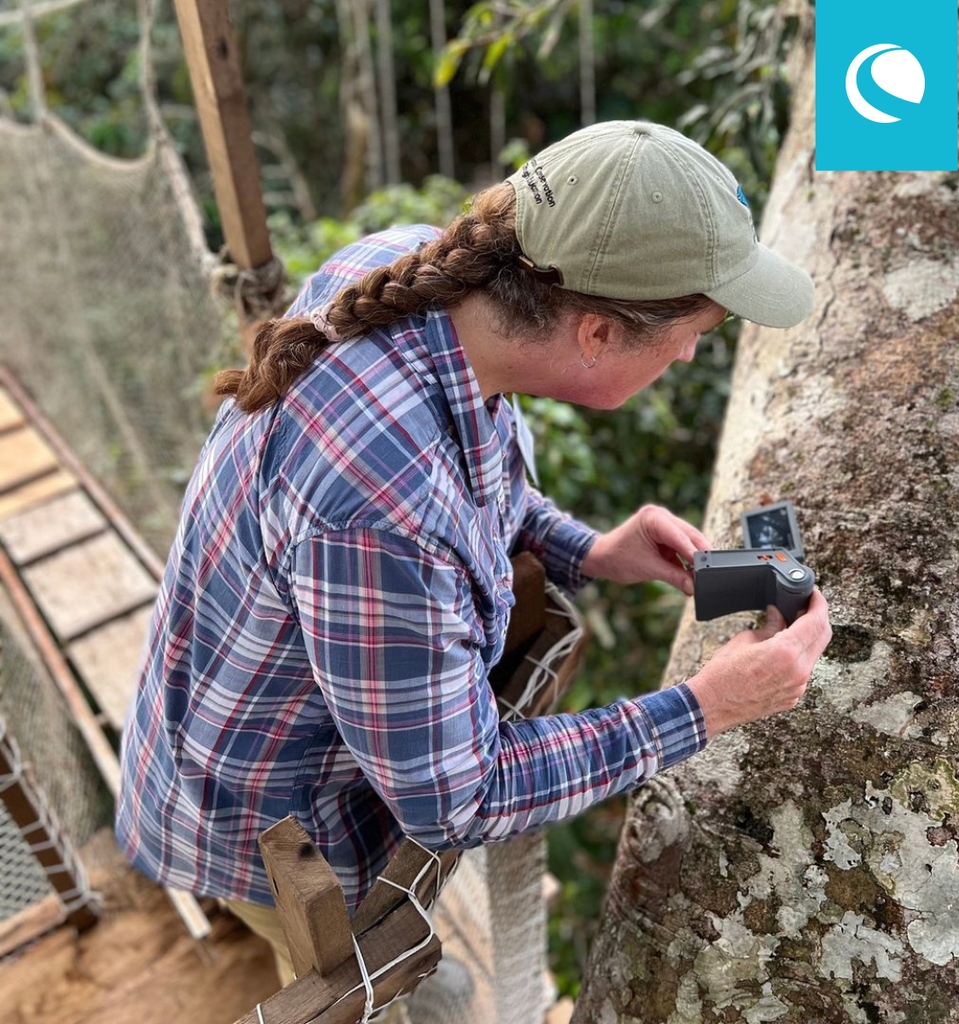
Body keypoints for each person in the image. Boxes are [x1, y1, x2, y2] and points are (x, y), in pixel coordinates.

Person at [115, 120, 832, 986]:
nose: (689, 353)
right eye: (697, 332)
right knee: (443, 994)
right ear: (598, 334)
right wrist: (705, 707)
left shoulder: (418, 277)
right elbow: (459, 795)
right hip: (253, 823)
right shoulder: (381, 510)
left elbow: (472, 490)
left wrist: (590, 550)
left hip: (235, 717)